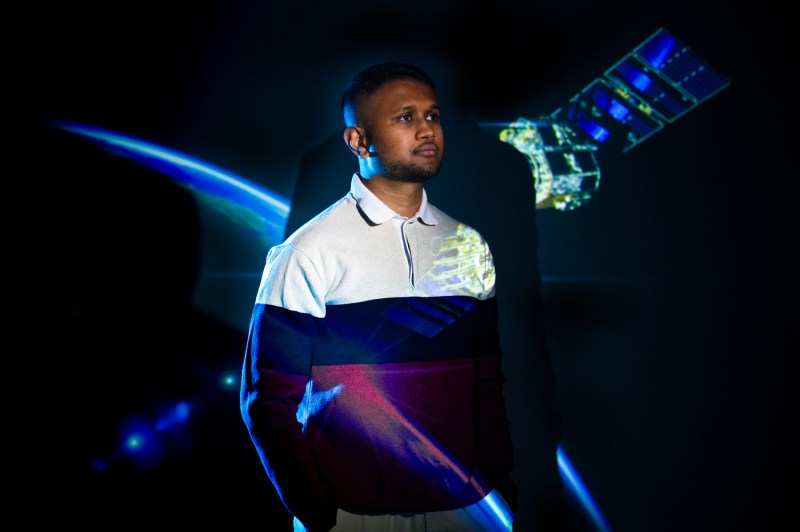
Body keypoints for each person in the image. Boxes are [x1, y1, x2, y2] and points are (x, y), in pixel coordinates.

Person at [240, 61, 519, 531]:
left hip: (464, 511)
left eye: (433, 115)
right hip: (351, 517)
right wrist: (319, 512)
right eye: (405, 117)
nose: (427, 129)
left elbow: (486, 382)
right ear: (358, 140)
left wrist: (495, 482)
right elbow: (266, 400)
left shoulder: (469, 245)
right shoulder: (309, 251)